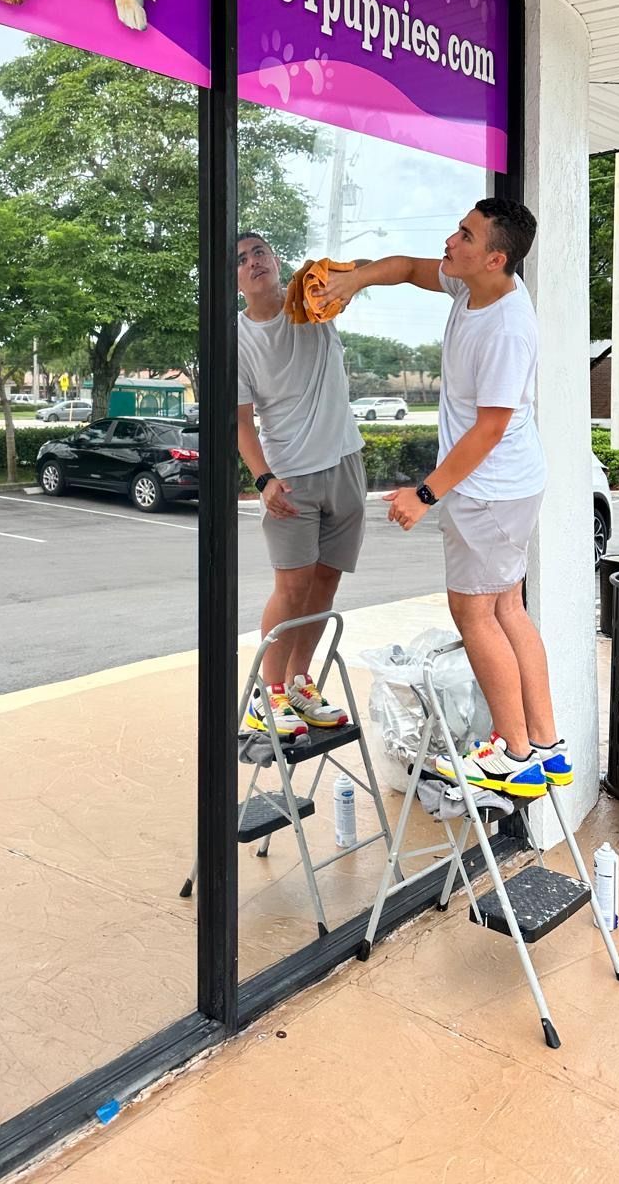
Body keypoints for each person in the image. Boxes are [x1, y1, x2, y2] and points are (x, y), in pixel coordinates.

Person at [321, 200, 566, 800]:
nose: (450, 241)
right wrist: (354, 278)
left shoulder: (507, 326)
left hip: (490, 490)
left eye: (465, 235)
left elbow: (489, 428)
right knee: (507, 608)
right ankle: (545, 747)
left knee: (475, 613)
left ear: (495, 257)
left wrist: (426, 492)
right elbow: (405, 266)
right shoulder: (470, 289)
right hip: (503, 488)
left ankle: (514, 756)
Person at [236, 231, 369, 739]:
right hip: (289, 476)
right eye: (241, 260)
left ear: (275, 258)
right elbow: (241, 422)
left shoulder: (311, 301)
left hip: (344, 463)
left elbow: (365, 269)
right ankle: (267, 696)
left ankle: (299, 683)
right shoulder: (238, 338)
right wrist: (264, 478)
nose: (253, 263)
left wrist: (344, 278)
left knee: (325, 583)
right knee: (291, 588)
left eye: (259, 252)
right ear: (235, 279)